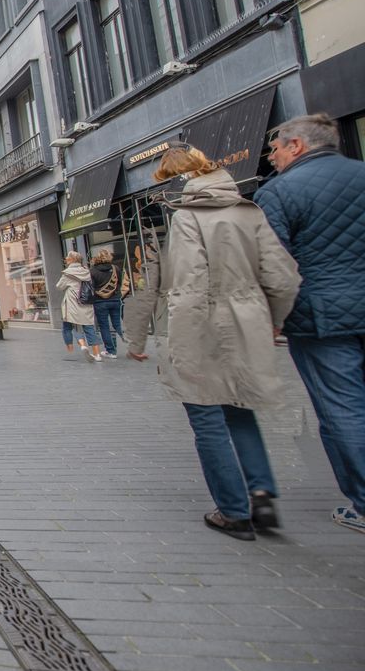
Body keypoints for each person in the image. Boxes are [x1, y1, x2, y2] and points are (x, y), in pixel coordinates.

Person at [126, 145, 300, 541]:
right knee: (240, 409)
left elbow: (186, 287)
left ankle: (234, 512)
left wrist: (176, 349)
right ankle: (260, 492)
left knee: (206, 417)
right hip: (247, 324)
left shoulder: (186, 218)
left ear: (181, 179)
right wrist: (272, 322)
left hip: (201, 328)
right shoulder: (248, 211)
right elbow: (283, 277)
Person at [255, 113, 365, 534]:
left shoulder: (279, 193)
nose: (273, 157)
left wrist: (274, 318)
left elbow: (274, 266)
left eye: (276, 149)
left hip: (323, 320)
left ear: (296, 145)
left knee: (343, 408)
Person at [56, 252, 102, 363]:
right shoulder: (87, 271)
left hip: (72, 303)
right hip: (86, 302)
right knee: (89, 327)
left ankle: (79, 348)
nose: (66, 258)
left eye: (67, 257)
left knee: (72, 326)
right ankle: (97, 354)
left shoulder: (67, 273)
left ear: (72, 260)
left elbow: (59, 286)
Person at [89, 247, 125, 359]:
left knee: (104, 326)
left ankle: (111, 351)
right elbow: (120, 283)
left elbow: (91, 287)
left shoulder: (93, 271)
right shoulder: (116, 268)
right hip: (115, 300)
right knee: (117, 324)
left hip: (100, 302)